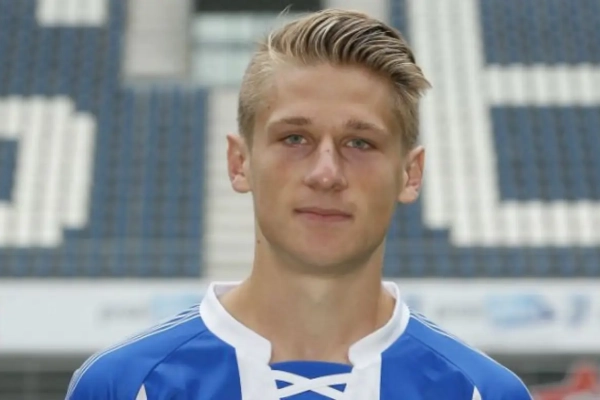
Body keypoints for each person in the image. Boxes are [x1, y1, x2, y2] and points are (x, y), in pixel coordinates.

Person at [66, 9, 533, 400]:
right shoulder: (123, 386)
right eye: (295, 138)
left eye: (360, 142)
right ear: (239, 163)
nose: (326, 173)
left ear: (410, 174)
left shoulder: (482, 392)